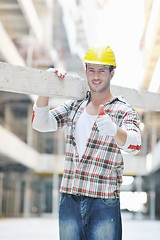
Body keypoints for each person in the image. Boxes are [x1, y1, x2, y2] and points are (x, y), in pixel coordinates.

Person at [32, 45, 141, 240]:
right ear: (86, 72)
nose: (96, 75)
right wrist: (45, 87)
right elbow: (41, 123)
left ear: (111, 73)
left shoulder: (123, 110)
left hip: (103, 201)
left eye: (102, 70)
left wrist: (114, 130)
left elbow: (135, 145)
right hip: (69, 199)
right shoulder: (75, 106)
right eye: (91, 69)